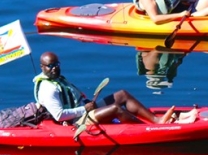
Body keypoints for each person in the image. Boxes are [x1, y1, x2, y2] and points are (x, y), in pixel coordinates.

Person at [33, 51, 198, 126]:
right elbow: (60, 115)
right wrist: (84, 109)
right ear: (42, 67)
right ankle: (147, 128)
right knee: (114, 108)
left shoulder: (58, 79)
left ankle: (156, 120)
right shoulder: (48, 89)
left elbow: (75, 96)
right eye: (50, 66)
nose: (54, 68)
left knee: (122, 95)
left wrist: (86, 103)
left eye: (56, 64)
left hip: (85, 110)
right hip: (76, 120)